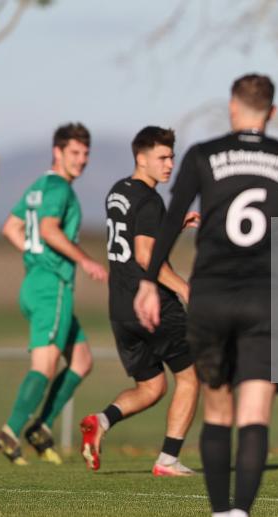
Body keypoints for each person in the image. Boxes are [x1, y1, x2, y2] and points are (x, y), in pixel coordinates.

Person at [134, 74, 278, 517]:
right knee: (255, 413)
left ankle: (219, 516)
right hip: (269, 300)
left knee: (218, 411)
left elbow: (170, 220)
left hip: (211, 297)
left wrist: (147, 283)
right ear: (272, 112)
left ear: (232, 107)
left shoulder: (203, 154)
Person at [79, 126, 201, 476]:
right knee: (191, 377)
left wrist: (172, 227)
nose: (169, 164)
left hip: (120, 308)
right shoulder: (151, 200)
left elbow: (134, 241)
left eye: (172, 156)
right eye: (162, 157)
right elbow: (147, 257)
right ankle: (168, 460)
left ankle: (100, 420)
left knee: (152, 386)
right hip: (154, 306)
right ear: (141, 158)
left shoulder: (119, 191)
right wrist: (182, 287)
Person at [0, 123, 107, 465]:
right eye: (75, 152)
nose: (82, 160)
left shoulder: (38, 187)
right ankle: (10, 432)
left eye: (86, 153)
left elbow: (10, 227)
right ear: (57, 152)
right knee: (44, 365)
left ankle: (41, 426)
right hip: (51, 286)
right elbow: (48, 229)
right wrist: (84, 259)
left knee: (82, 359)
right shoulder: (59, 189)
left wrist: (33, 251)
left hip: (35, 283)